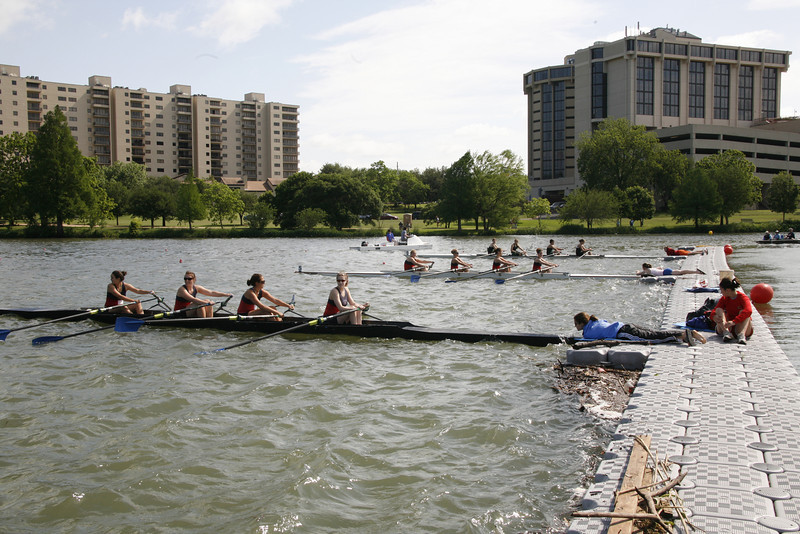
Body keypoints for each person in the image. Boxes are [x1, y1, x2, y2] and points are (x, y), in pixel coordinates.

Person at [573, 312, 706, 346]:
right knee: (654, 333)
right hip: (626, 326)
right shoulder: (596, 320)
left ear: (581, 323)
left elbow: (589, 340)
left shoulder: (588, 332)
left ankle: (683, 335)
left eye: (576, 324)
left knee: (653, 338)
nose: (575, 327)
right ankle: (683, 334)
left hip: (624, 333)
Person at [711, 277, 753, 344]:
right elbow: (715, 310)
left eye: (721, 290)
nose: (721, 292)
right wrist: (713, 316)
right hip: (728, 327)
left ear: (727, 290)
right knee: (719, 310)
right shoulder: (724, 298)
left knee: (744, 312)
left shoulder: (743, 297)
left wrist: (734, 322)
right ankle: (726, 333)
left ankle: (741, 336)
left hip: (740, 327)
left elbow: (749, 311)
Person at [637, 262, 704, 277]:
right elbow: (660, 268)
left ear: (644, 267)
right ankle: (696, 271)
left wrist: (637, 271)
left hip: (665, 272)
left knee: (682, 272)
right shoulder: (652, 268)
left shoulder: (646, 270)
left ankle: (697, 272)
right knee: (682, 272)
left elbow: (638, 273)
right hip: (665, 270)